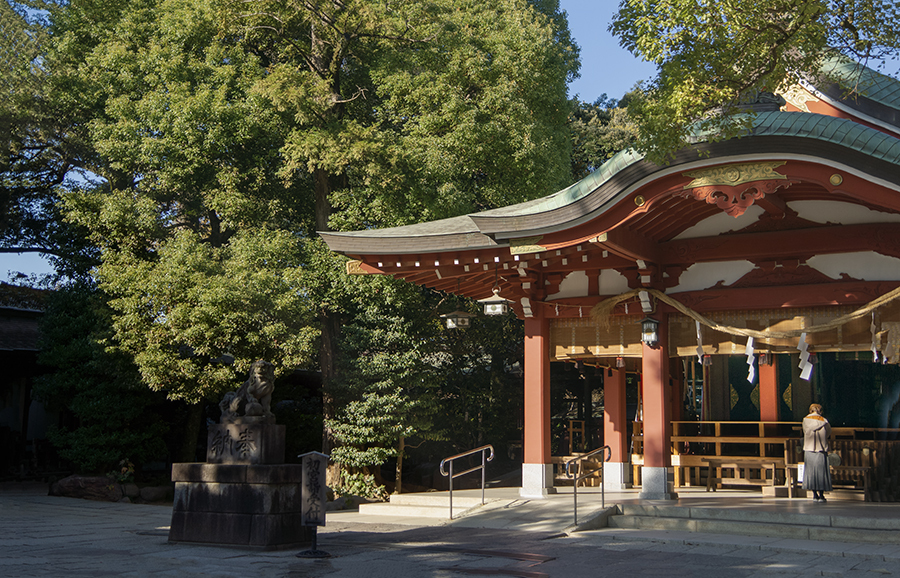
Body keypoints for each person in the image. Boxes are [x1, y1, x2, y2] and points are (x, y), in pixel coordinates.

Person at [802, 403, 832, 503]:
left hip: (809, 449)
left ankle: (814, 495)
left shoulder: (805, 420)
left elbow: (805, 431)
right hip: (820, 449)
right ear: (820, 410)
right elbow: (828, 432)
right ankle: (821, 495)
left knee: (811, 473)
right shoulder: (824, 421)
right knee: (821, 473)